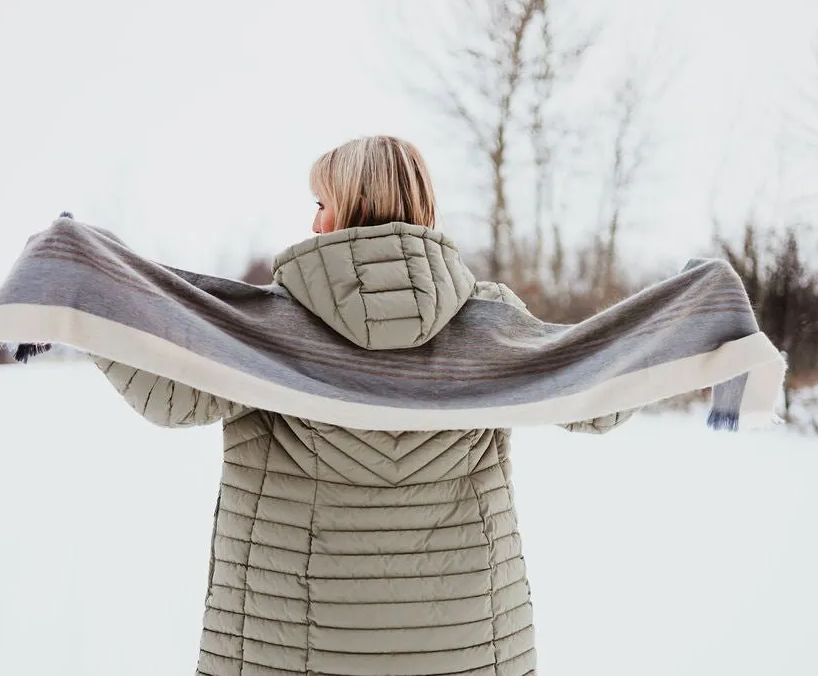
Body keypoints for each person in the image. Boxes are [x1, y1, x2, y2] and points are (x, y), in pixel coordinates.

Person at [94, 136, 634, 676]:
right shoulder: (487, 323)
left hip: (281, 652)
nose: (314, 225)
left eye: (321, 205)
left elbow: (168, 396)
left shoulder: (269, 328)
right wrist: (684, 323)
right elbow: (597, 396)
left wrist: (85, 283)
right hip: (468, 648)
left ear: (351, 206)